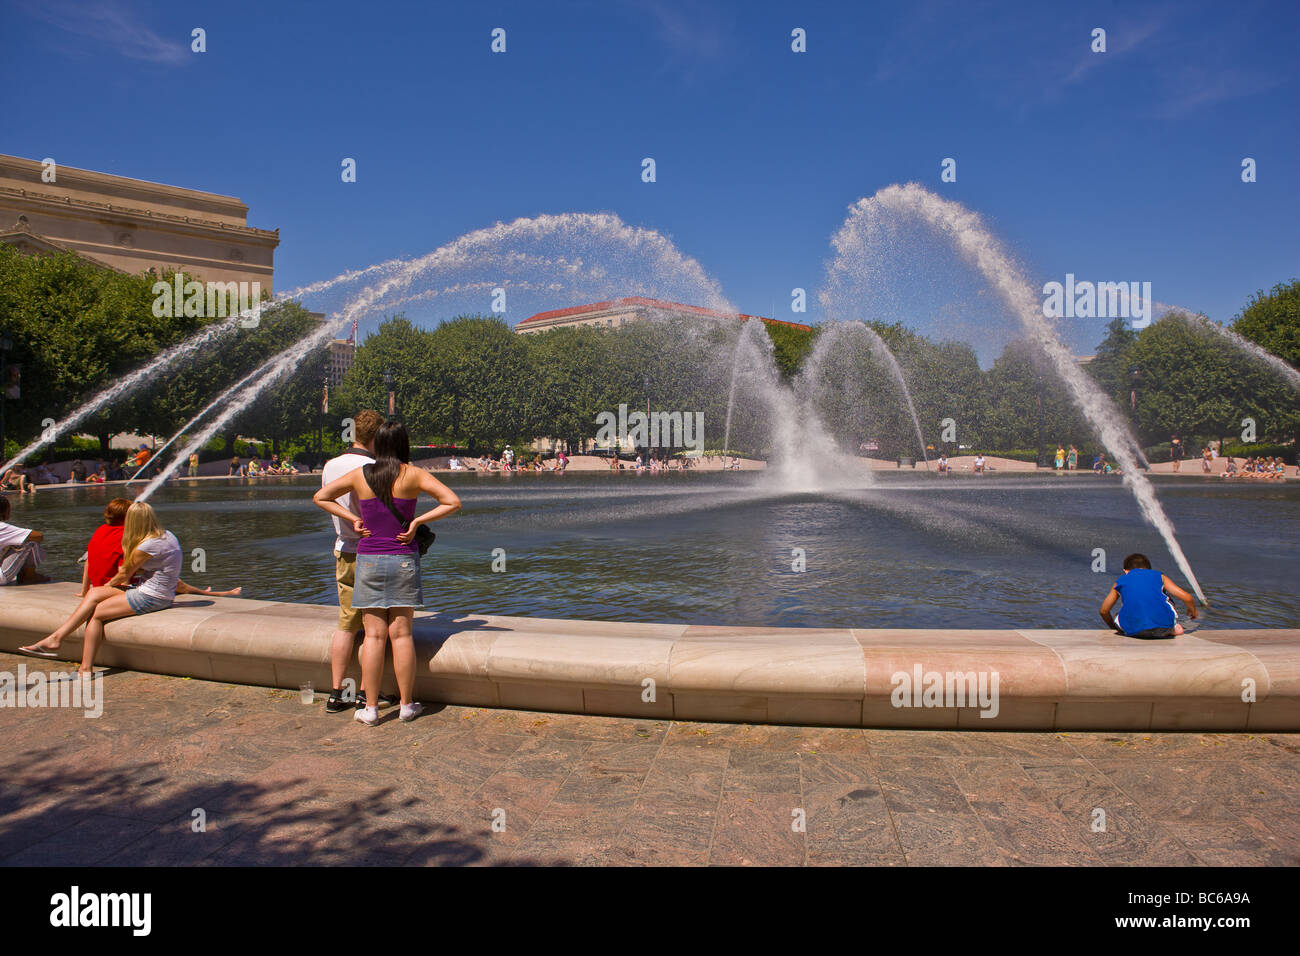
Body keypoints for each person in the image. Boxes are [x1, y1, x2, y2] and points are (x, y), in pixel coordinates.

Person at [314, 420, 461, 726]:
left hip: (368, 559)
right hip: (403, 559)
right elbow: (452, 502)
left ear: (377, 445)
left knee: (374, 635)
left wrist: (352, 518)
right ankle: (407, 705)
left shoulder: (361, 475)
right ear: (404, 444)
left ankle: (369, 709)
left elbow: (321, 497)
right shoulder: (414, 474)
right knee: (402, 634)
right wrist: (417, 522)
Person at [17, 498, 239, 660]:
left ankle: (82, 664)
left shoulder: (146, 545)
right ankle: (55, 639)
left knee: (94, 614)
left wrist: (103, 588)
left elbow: (123, 575)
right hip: (153, 590)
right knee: (95, 596)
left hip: (152, 597)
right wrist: (99, 590)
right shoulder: (166, 534)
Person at [318, 409, 397, 714]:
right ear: (377, 436)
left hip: (342, 549)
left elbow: (323, 498)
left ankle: (337, 693)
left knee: (346, 625)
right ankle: (366, 692)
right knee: (373, 625)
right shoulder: (372, 467)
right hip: (371, 550)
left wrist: (347, 520)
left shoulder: (331, 465)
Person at [1098, 553, 1197, 639]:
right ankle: (1173, 628)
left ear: (1125, 571)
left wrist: (1113, 627)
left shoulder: (1120, 582)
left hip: (1134, 631)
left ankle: (1129, 625)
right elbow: (1187, 597)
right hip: (1163, 629)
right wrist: (1192, 611)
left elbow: (1104, 610)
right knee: (1166, 600)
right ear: (1148, 569)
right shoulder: (1159, 576)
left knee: (1119, 614)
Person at [0, 495, 48, 584]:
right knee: (30, 543)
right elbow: (38, 536)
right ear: (4, 511)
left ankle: (24, 574)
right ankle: (29, 576)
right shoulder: (2, 527)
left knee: (16, 541)